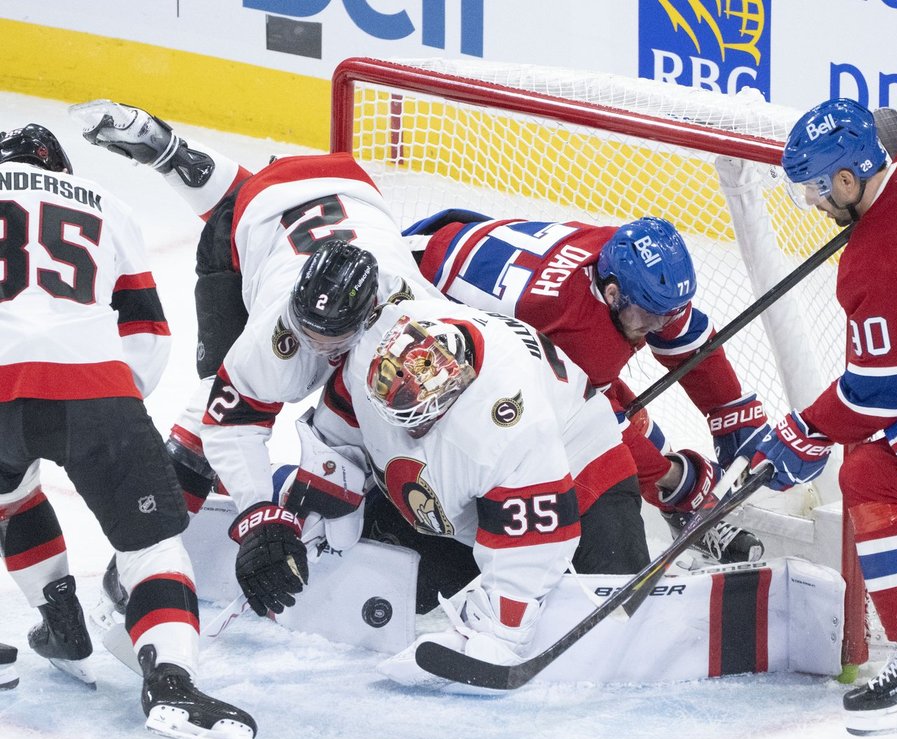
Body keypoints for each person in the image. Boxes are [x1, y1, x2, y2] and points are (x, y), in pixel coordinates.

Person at [71, 100, 447, 617]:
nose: (313, 348)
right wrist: (257, 513)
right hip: (277, 220)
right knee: (210, 402)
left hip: (330, 193)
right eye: (305, 333)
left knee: (391, 412)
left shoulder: (419, 316)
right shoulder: (276, 326)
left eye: (329, 341)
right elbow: (228, 421)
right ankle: (142, 557)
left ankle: (172, 153)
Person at [0, 124, 257, 739]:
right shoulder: (104, 203)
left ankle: (61, 622)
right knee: (153, 545)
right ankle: (172, 681)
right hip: (98, 390)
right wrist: (113, 411)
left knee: (11, 496)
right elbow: (147, 335)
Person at [754, 96, 897, 735]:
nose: (816, 206)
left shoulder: (878, 257)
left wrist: (805, 429)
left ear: (849, 180)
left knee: (872, 475)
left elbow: (879, 394)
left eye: (817, 192)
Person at [308, 296, 680, 676]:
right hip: (475, 498)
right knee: (382, 595)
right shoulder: (379, 351)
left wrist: (499, 630)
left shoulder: (502, 423)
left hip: (583, 469)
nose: (411, 430)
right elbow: (337, 432)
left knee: (616, 623)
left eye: (419, 420)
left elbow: (542, 536)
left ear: (454, 388)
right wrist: (303, 510)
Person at [408, 210, 767, 564]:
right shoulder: (578, 329)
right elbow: (599, 430)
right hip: (423, 295)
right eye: (648, 317)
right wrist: (679, 479)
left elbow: (682, 333)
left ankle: (675, 505)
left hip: (459, 244)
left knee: (613, 404)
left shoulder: (624, 263)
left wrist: (730, 408)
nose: (658, 326)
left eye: (666, 313)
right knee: (563, 434)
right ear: (612, 295)